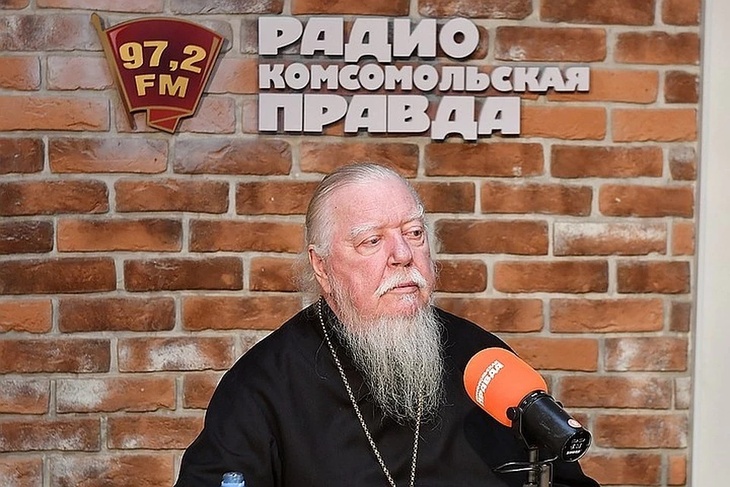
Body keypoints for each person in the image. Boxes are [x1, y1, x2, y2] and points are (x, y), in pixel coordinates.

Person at [175, 163, 599, 487]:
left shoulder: (483, 362)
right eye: (372, 240)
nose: (402, 255)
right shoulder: (262, 387)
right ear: (322, 267)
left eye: (414, 233)